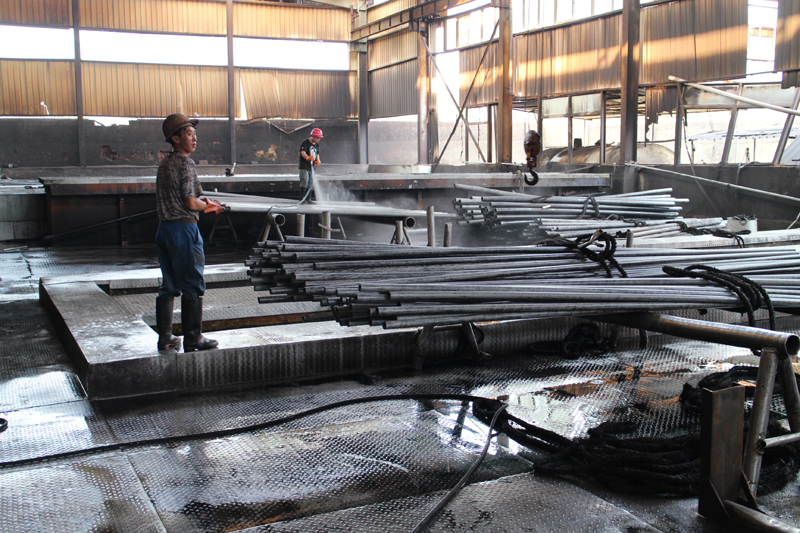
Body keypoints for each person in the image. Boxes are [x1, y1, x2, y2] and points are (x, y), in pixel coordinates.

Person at [154, 113, 221, 353]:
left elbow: (191, 196)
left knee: (169, 284)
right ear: (175, 138)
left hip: (165, 229)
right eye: (189, 134)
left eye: (194, 134)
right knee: (192, 283)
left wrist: (205, 202)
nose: (194, 138)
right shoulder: (186, 163)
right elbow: (191, 202)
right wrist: (210, 206)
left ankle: (166, 338)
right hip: (184, 229)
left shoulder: (165, 163)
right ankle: (193, 338)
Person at [298, 128, 323, 203]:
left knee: (311, 182)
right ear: (313, 136)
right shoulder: (305, 142)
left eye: (319, 138)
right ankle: (302, 199)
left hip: (312, 167)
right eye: (317, 138)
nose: (318, 139)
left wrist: (318, 160)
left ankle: (308, 199)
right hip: (304, 166)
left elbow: (317, 154)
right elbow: (302, 152)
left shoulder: (317, 145)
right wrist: (307, 157)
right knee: (305, 181)